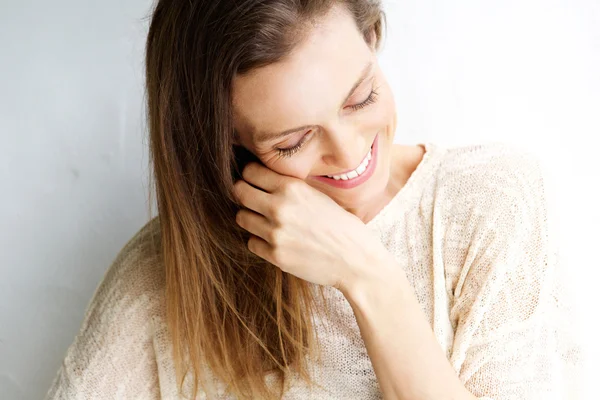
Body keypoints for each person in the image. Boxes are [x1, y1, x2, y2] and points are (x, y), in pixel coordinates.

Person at [45, 0, 583, 399]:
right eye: (294, 140)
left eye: (361, 97)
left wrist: (369, 277)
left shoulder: (491, 201)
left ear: (372, 38)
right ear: (227, 139)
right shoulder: (170, 271)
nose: (350, 152)